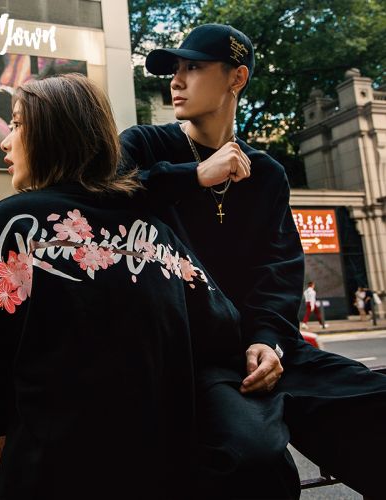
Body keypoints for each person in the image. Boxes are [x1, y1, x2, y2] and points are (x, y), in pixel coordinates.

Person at [120, 23, 386, 499]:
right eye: (175, 69)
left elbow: (279, 269)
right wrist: (193, 175)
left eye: (193, 67)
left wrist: (268, 341)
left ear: (236, 78)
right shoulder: (144, 145)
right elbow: (102, 197)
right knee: (254, 457)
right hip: (192, 357)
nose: (176, 80)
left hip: (264, 350)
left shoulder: (266, 173)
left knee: (372, 402)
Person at [0, 73, 244, 499]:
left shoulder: (17, 223)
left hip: (50, 472)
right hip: (157, 471)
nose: (5, 141)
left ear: (54, 132)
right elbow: (222, 328)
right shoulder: (155, 232)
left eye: (17, 124)